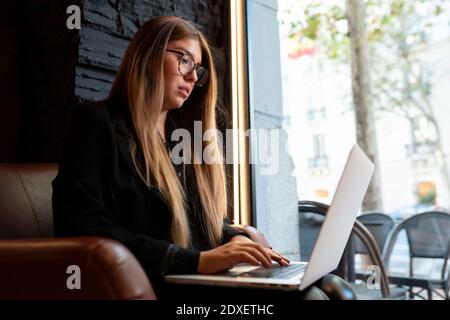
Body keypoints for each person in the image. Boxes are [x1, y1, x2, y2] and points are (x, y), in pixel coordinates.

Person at [52, 16, 352, 301]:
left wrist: (235, 239)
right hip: (162, 283)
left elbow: (196, 220)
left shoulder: (180, 137)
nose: (194, 77)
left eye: (197, 68)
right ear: (148, 55)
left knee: (331, 284)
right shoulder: (95, 122)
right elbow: (83, 224)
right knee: (313, 295)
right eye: (183, 59)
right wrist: (199, 261)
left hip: (198, 280)